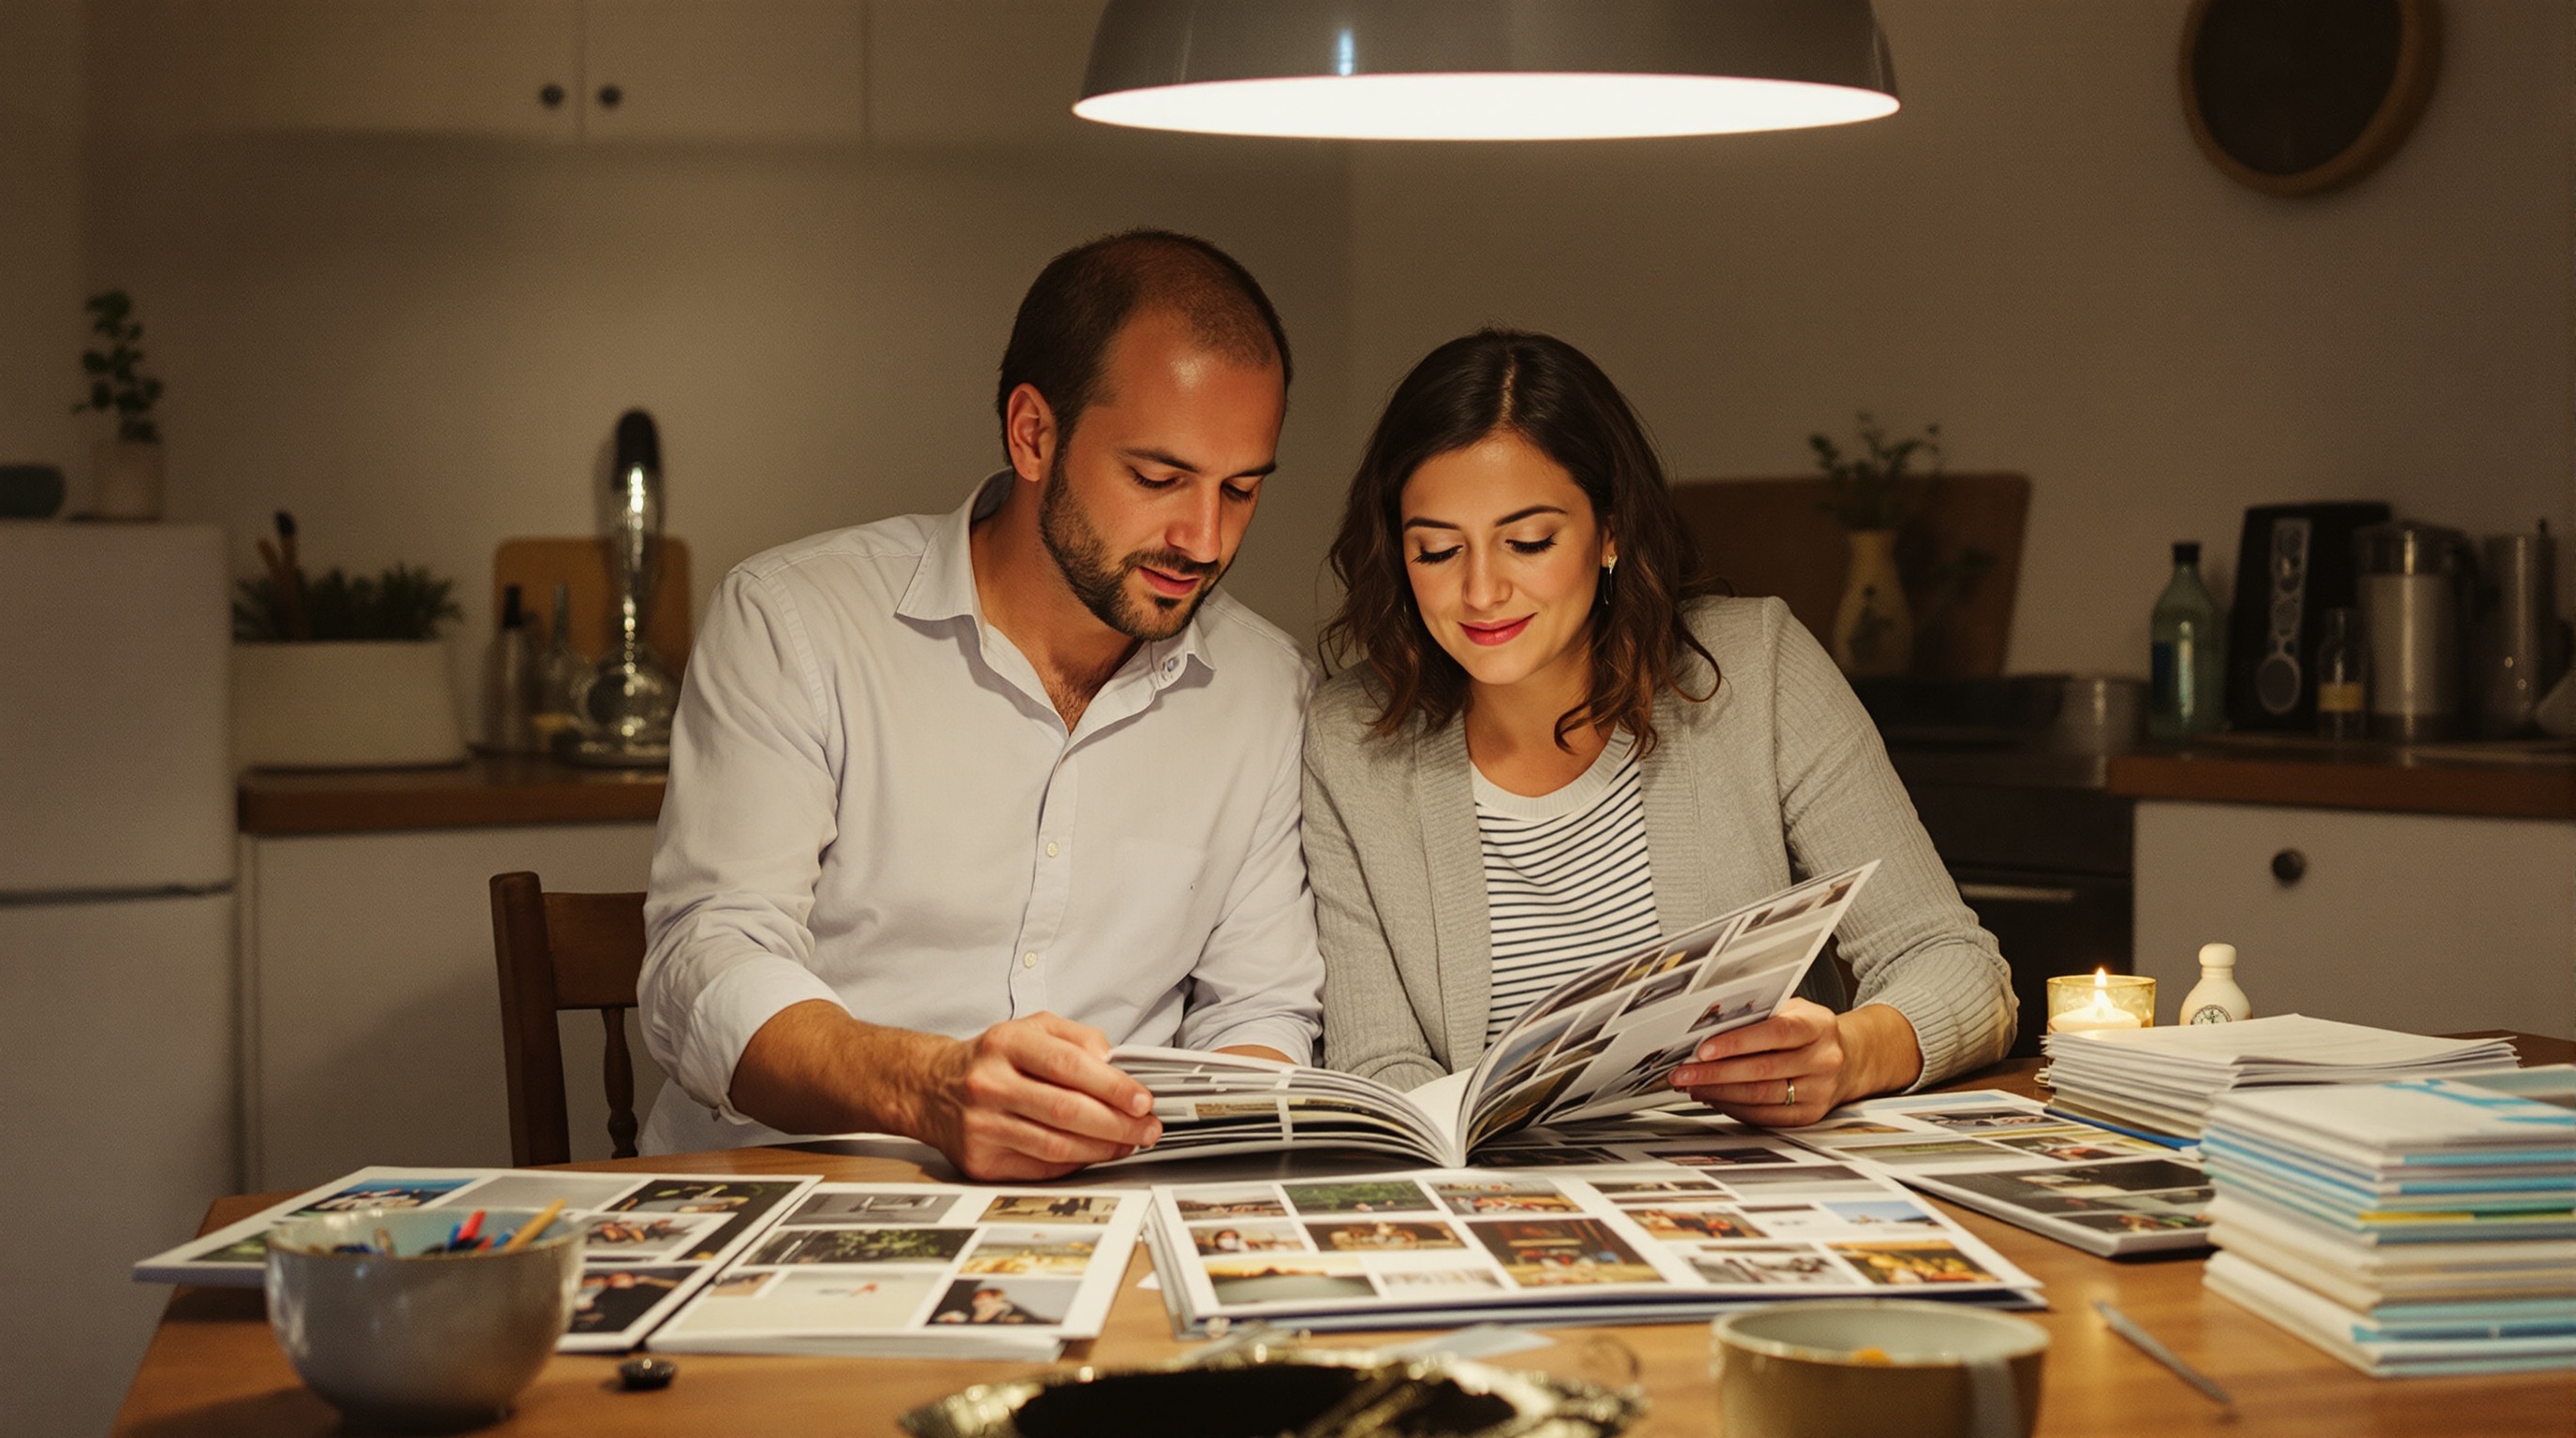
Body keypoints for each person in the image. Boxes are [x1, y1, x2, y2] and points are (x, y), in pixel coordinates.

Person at [637, 230, 1325, 1178]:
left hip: (1112, 1208)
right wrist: (927, 1088)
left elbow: (1261, 1008)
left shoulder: (1266, 689)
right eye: (1158, 479)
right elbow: (706, 962)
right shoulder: (797, 623)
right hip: (798, 1197)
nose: (1202, 540)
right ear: (1033, 432)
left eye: (1241, 490)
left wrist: (1199, 1156)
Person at [1301, 329, 2013, 1124]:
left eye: (1528, 542)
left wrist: (1847, 1056)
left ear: (1610, 532)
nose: (1480, 591)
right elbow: (1378, 1062)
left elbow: (1954, 964)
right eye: (1436, 551)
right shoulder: (1350, 738)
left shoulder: (1755, 670)